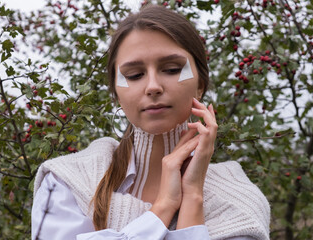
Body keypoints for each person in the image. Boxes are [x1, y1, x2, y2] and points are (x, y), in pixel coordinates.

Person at [31, 4, 270, 240]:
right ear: (116, 92)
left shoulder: (238, 201)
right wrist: (163, 207)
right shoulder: (69, 181)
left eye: (172, 69)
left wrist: (194, 198)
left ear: (200, 85)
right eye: (134, 75)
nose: (153, 86)